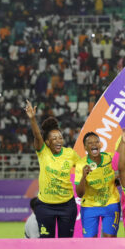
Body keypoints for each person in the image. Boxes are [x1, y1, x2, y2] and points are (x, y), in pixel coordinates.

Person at [25, 100, 79, 238]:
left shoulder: (70, 153)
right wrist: (32, 119)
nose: (58, 140)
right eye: (54, 138)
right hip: (45, 207)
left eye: (60, 137)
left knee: (65, 243)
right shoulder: (43, 152)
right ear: (47, 142)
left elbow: (83, 165)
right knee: (46, 243)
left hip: (67, 206)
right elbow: (37, 136)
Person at [75, 131, 120, 238]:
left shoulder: (109, 157)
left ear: (100, 145)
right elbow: (80, 194)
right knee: (90, 242)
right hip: (90, 206)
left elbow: (122, 167)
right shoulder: (81, 164)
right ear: (85, 147)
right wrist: (83, 177)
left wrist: (117, 178)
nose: (94, 144)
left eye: (96, 142)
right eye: (90, 143)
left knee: (110, 239)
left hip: (111, 203)